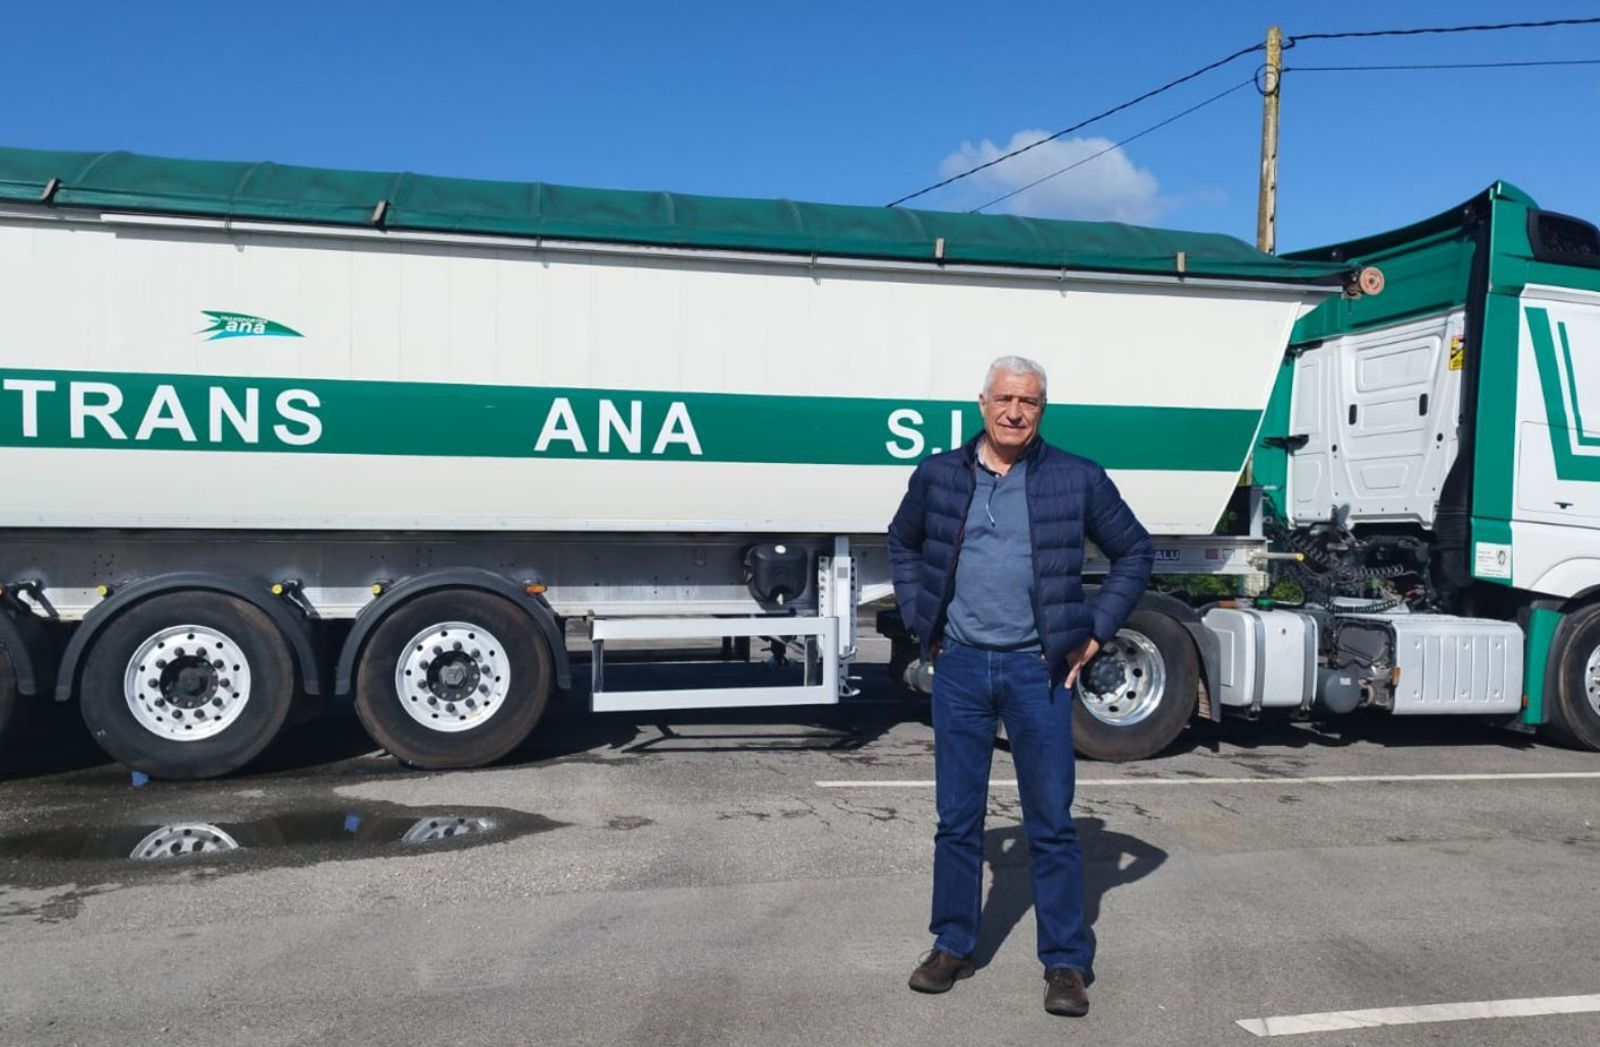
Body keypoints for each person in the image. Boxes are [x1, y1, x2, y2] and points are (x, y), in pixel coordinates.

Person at [887, 354, 1154, 1017]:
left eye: (1028, 402)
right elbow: (902, 542)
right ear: (982, 402)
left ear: (1042, 409)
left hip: (1041, 670)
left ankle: (1065, 962)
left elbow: (1135, 551)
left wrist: (1094, 631)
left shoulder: (1077, 477)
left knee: (1053, 822)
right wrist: (925, 619)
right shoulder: (940, 474)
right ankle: (952, 943)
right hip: (962, 668)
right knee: (957, 818)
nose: (1014, 411)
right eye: (1004, 398)